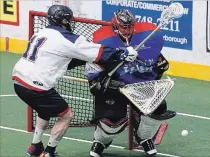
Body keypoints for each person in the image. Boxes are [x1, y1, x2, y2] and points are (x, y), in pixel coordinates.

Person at [12, 5, 138, 157]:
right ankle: (49, 152)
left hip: (18, 82)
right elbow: (98, 52)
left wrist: (86, 58)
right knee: (66, 116)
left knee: (44, 109)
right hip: (36, 87)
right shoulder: (67, 39)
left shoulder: (41, 33)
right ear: (64, 21)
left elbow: (65, 60)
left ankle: (35, 146)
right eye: (69, 20)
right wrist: (123, 54)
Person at [85, 9, 176, 157]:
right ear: (115, 27)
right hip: (117, 89)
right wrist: (99, 81)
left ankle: (143, 137)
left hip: (141, 87)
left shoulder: (148, 37)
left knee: (158, 109)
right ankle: (101, 140)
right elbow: (93, 72)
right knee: (112, 123)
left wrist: (160, 68)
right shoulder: (104, 42)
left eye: (130, 26)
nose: (127, 30)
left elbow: (156, 61)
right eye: (123, 27)